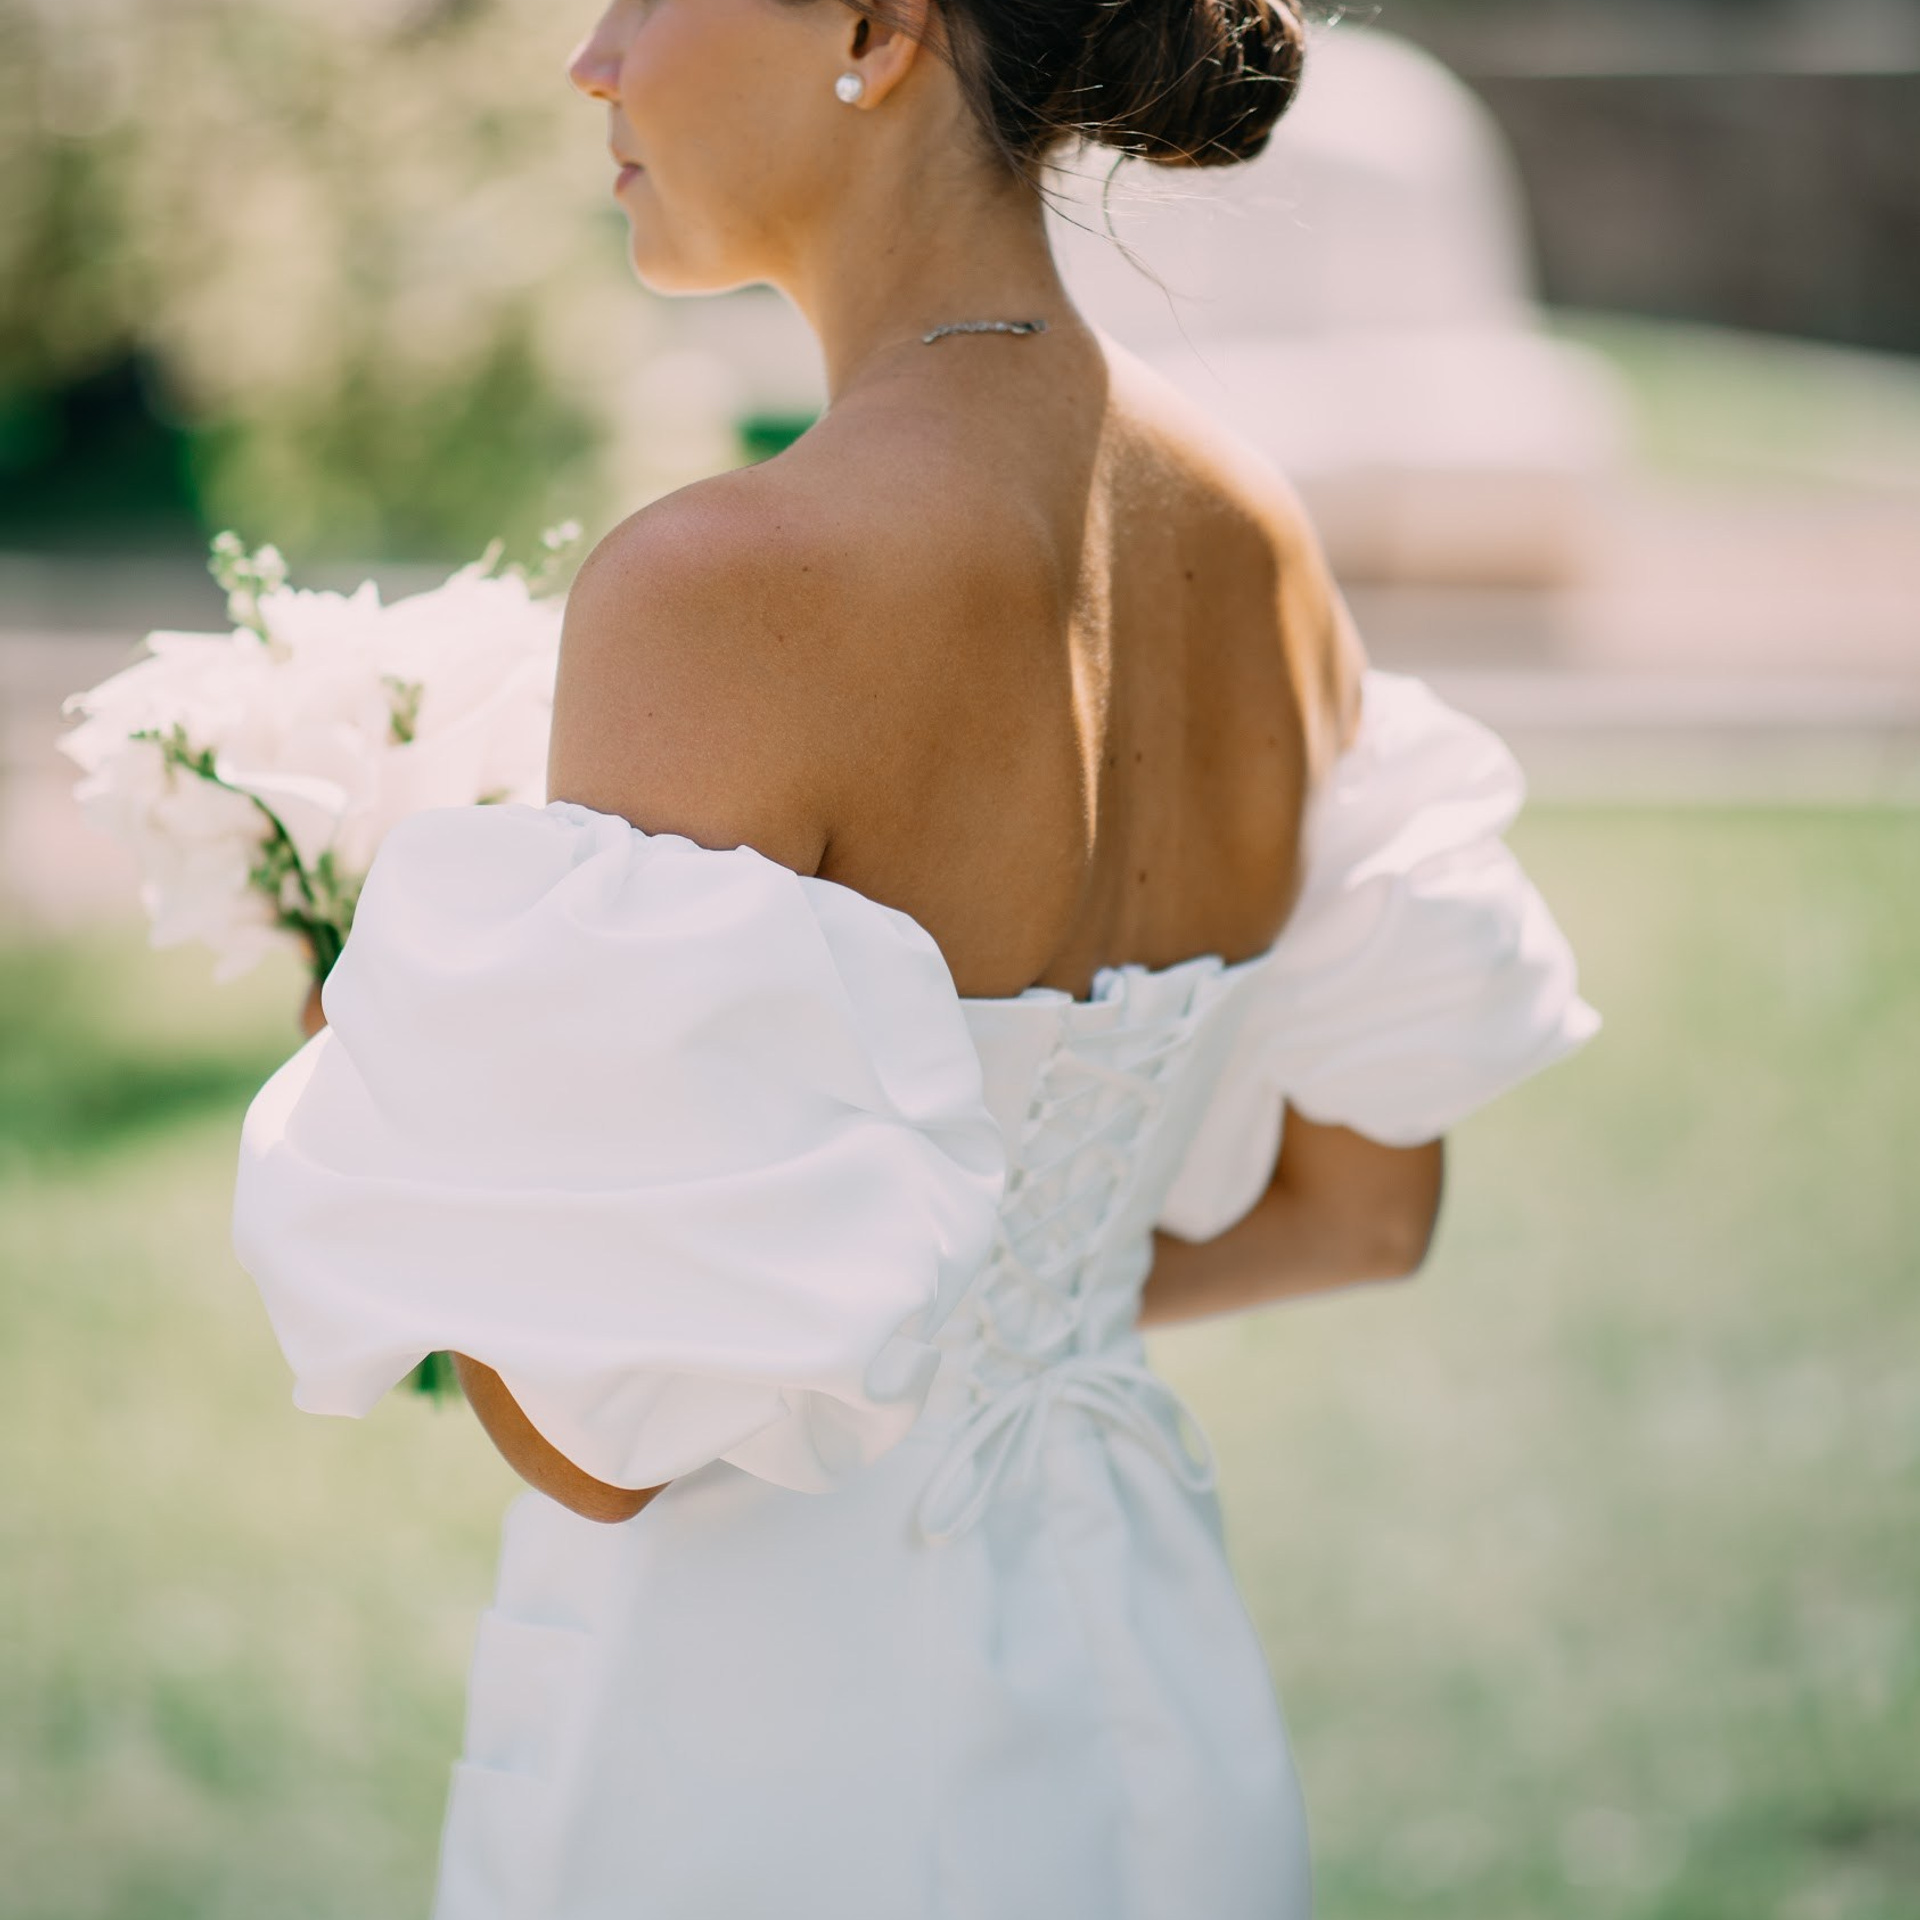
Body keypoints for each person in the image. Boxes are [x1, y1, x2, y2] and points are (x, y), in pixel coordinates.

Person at [231, 0, 1600, 1914]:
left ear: (876, 27)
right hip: (1145, 1670)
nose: (593, 61)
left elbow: (600, 1447)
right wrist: (1006, 1319)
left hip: (762, 1746)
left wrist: (375, 1032)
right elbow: (1365, 1214)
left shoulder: (725, 586)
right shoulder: (1259, 541)